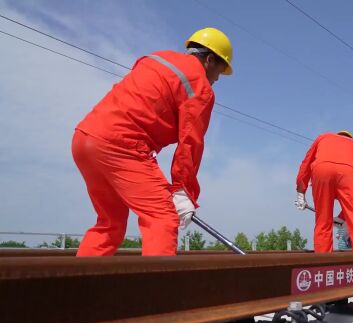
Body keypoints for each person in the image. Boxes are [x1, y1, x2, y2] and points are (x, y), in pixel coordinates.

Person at [73, 28, 233, 256]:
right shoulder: (200, 86)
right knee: (162, 217)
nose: (217, 78)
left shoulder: (159, 58)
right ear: (209, 60)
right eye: (219, 70)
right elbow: (190, 142)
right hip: (121, 145)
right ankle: (159, 291)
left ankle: (78, 288)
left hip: (85, 137)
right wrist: (182, 191)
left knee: (110, 224)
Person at [295, 131, 353, 252]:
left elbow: (306, 163)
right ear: (350, 138)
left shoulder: (323, 137)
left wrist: (301, 191)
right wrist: (344, 201)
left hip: (322, 169)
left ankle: (323, 261)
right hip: (350, 172)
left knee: (323, 221)